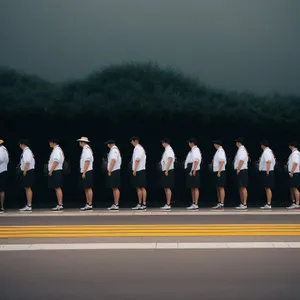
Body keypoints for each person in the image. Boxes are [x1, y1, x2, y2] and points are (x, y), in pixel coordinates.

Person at [130, 137, 147, 210]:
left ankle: (142, 203)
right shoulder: (139, 148)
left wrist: (134, 170)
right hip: (140, 169)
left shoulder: (138, 149)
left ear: (135, 141)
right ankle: (141, 203)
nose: (131, 142)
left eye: (132, 141)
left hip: (139, 170)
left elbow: (137, 159)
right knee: (139, 187)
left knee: (140, 187)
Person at [77, 137, 94, 211]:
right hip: (85, 170)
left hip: (87, 171)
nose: (79, 143)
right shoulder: (85, 149)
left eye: (80, 141)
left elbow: (87, 161)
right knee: (86, 188)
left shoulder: (87, 150)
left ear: (83, 142)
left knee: (88, 187)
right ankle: (88, 203)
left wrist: (84, 172)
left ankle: (89, 203)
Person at [48, 138, 65, 211]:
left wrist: (51, 170)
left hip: (56, 170)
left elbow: (56, 161)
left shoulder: (56, 150)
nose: (49, 144)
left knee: (57, 187)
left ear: (53, 143)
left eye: (50, 142)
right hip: (57, 170)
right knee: (57, 188)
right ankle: (59, 204)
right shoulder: (57, 150)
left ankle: (60, 204)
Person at [18, 139, 35, 212]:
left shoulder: (27, 151)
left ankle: (29, 205)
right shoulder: (26, 151)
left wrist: (24, 171)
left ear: (22, 144)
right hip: (27, 170)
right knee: (26, 188)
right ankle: (28, 204)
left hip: (27, 171)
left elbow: (27, 162)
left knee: (28, 188)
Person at [185, 138, 202, 210]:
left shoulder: (195, 150)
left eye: (189, 142)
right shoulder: (192, 150)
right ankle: (193, 202)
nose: (188, 144)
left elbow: (196, 160)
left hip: (194, 169)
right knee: (192, 187)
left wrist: (193, 170)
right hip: (191, 168)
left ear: (192, 143)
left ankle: (196, 203)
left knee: (195, 187)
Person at [258, 140, 276, 209]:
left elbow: (268, 161)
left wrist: (267, 172)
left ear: (263, 145)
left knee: (268, 188)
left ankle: (269, 203)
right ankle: (268, 203)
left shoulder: (266, 152)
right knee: (266, 188)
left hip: (267, 171)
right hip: (268, 170)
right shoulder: (269, 151)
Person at [106, 139, 122, 211]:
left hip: (114, 170)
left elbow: (113, 160)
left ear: (109, 144)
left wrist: (109, 170)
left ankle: (116, 204)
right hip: (114, 170)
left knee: (115, 187)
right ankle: (115, 203)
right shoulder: (114, 150)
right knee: (114, 187)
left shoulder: (114, 150)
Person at [160, 138, 175, 210]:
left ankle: (168, 203)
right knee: (165, 187)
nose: (162, 144)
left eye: (163, 143)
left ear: (166, 143)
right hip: (165, 170)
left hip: (168, 170)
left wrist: (167, 169)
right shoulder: (166, 150)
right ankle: (167, 203)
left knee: (167, 187)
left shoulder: (169, 149)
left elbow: (170, 159)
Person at [233, 137, 249, 210]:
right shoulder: (241, 150)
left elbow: (241, 160)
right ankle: (242, 203)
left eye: (236, 142)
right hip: (240, 170)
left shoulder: (242, 150)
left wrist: (238, 168)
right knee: (240, 187)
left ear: (239, 143)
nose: (236, 144)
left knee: (243, 187)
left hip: (242, 170)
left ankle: (244, 203)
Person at [211, 140, 227, 210]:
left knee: (221, 187)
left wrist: (219, 171)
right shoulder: (218, 151)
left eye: (214, 144)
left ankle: (222, 203)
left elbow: (222, 161)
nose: (214, 145)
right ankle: (219, 202)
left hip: (220, 171)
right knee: (218, 187)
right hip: (217, 171)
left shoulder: (220, 151)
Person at [286, 141, 300, 209]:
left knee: (295, 188)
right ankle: (294, 202)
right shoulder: (294, 153)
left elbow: (295, 163)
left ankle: (297, 203)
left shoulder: (295, 153)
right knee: (292, 188)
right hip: (292, 172)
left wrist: (292, 172)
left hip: (294, 172)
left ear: (292, 146)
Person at [0, 139, 9, 213]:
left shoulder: (1, 150)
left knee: (1, 189)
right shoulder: (4, 150)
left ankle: (1, 206)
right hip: (2, 170)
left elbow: (0, 159)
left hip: (1, 171)